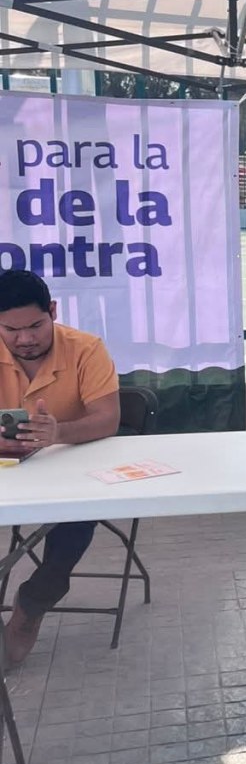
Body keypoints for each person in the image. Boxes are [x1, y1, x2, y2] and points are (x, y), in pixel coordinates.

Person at [0, 270, 121, 664]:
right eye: (11, 329)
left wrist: (58, 432)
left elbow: (108, 419)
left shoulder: (86, 348)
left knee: (70, 535)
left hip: (72, 477)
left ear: (52, 311)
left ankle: (28, 609)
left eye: (35, 325)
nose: (25, 339)